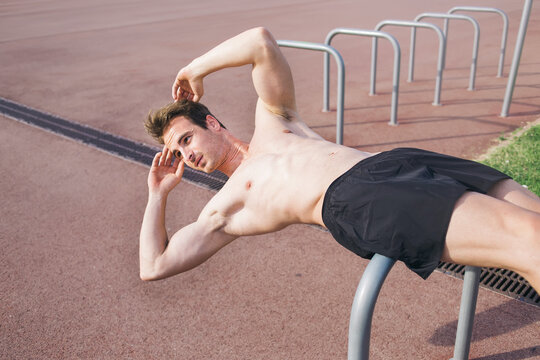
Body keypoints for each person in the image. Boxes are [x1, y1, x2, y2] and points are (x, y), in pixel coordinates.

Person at [139, 27, 540, 292]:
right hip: (356, 199)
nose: (186, 155)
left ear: (211, 122)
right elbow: (153, 265)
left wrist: (195, 69)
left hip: (394, 162)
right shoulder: (227, 206)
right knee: (529, 241)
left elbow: (260, 43)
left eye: (186, 138)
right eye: (177, 152)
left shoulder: (276, 121)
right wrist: (158, 195)